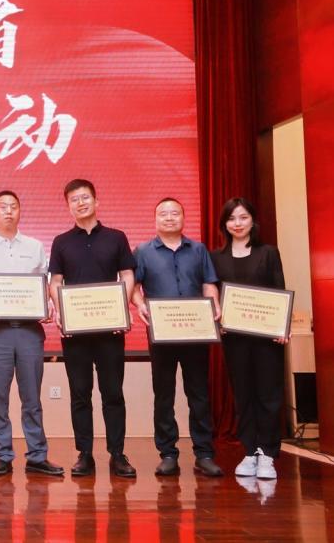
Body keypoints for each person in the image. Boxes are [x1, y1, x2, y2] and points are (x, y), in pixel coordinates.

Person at [0, 190, 63, 477]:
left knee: (32, 396)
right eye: (3, 207)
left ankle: (37, 455)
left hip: (29, 331)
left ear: (20, 211)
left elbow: (44, 285)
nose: (8, 211)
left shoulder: (35, 247)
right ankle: (3, 455)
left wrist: (46, 305)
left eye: (13, 206)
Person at [49, 178, 137, 478]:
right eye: (74, 199)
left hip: (110, 330)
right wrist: (60, 311)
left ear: (96, 201)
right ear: (68, 206)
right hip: (75, 333)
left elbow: (127, 275)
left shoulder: (116, 237)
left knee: (113, 392)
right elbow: (55, 282)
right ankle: (84, 454)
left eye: (85, 197)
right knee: (80, 393)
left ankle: (117, 454)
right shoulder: (61, 242)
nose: (81, 203)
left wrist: (121, 308)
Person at [131, 198, 225, 477]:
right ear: (155, 219)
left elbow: (209, 283)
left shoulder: (198, 250)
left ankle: (204, 454)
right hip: (161, 334)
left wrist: (215, 304)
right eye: (164, 214)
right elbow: (134, 286)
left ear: (183, 218)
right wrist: (140, 304)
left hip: (195, 332)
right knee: (164, 394)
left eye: (175, 213)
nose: (169, 218)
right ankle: (168, 454)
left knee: (199, 394)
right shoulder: (143, 251)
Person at [210, 197, 287, 480]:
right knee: (243, 395)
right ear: (224, 224)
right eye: (232, 219)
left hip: (267, 338)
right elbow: (213, 296)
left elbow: (279, 289)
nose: (237, 223)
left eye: (243, 217)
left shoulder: (268, 253)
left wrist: (282, 326)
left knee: (268, 395)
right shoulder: (216, 257)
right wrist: (218, 322)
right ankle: (250, 451)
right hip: (235, 338)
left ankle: (268, 454)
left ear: (253, 221)